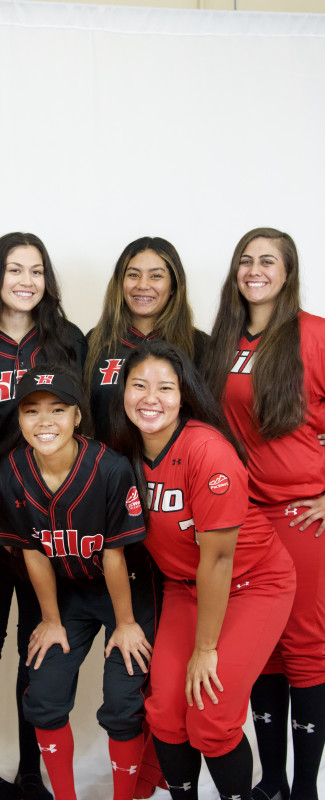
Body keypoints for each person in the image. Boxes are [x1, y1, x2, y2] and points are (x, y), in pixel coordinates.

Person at [112, 339, 296, 800]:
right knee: (167, 716)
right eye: (138, 385)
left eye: (165, 388)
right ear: (122, 393)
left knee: (211, 719)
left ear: (184, 395)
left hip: (253, 585)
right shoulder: (124, 451)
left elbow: (217, 558)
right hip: (185, 588)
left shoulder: (207, 451)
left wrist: (205, 649)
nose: (150, 398)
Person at [0, 232, 86, 800]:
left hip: (45, 515)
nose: (27, 281)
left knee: (38, 640)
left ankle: (33, 770)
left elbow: (84, 427)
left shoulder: (67, 340)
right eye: (15, 270)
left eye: (37, 271)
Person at [0, 365, 159, 800]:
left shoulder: (110, 468)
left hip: (127, 589)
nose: (45, 421)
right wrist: (49, 619)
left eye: (58, 409)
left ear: (78, 416)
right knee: (44, 698)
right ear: (18, 419)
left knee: (123, 703)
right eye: (31, 411)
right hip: (70, 593)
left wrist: (125, 623)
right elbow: (32, 550)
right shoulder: (10, 472)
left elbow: (115, 552)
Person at [203, 227, 325, 800]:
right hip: (242, 516)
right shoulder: (225, 340)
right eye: (246, 260)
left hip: (300, 517)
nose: (255, 270)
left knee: (304, 645)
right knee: (264, 651)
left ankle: (305, 788)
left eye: (268, 261)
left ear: (288, 271)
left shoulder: (315, 336)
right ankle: (270, 782)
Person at [85, 236, 208, 444]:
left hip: (173, 470)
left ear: (173, 287)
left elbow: (206, 422)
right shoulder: (95, 341)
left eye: (156, 276)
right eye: (133, 275)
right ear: (120, 283)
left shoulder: (200, 345)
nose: (142, 285)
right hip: (106, 470)